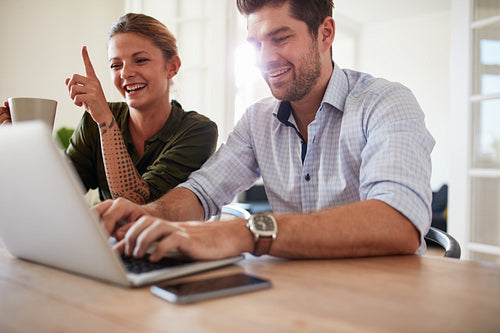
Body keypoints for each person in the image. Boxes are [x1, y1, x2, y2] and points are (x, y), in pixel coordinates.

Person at [95, 0, 435, 262]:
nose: (265, 58)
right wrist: (148, 214)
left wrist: (248, 233)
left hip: (382, 296)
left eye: (280, 38)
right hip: (293, 296)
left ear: (325, 33)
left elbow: (399, 221)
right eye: (255, 44)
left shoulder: (386, 103)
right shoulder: (258, 120)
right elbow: (202, 192)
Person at [0, 13, 218, 205]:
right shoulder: (93, 122)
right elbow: (53, 194)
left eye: (140, 60)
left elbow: (136, 204)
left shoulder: (199, 130)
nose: (125, 73)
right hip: (111, 247)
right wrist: (18, 141)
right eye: (116, 65)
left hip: (171, 250)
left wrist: (105, 120)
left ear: (172, 67)